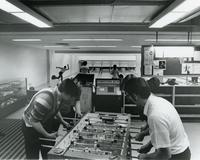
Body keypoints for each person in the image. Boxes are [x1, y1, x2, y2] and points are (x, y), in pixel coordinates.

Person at [124, 77, 190, 160]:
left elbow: (165, 155)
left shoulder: (155, 115)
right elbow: (161, 132)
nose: (128, 99)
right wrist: (148, 145)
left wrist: (145, 157)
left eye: (128, 96)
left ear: (135, 96)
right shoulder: (158, 101)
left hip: (176, 156)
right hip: (181, 150)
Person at [21, 79, 81, 160]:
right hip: (30, 125)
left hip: (42, 120)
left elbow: (55, 109)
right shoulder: (45, 99)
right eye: (72, 97)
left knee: (47, 148)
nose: (72, 100)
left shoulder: (59, 96)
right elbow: (34, 121)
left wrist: (62, 121)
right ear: (66, 93)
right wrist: (47, 134)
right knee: (33, 153)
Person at [135, 76, 161, 141]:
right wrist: (145, 128)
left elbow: (156, 129)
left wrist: (143, 134)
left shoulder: (153, 111)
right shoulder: (150, 99)